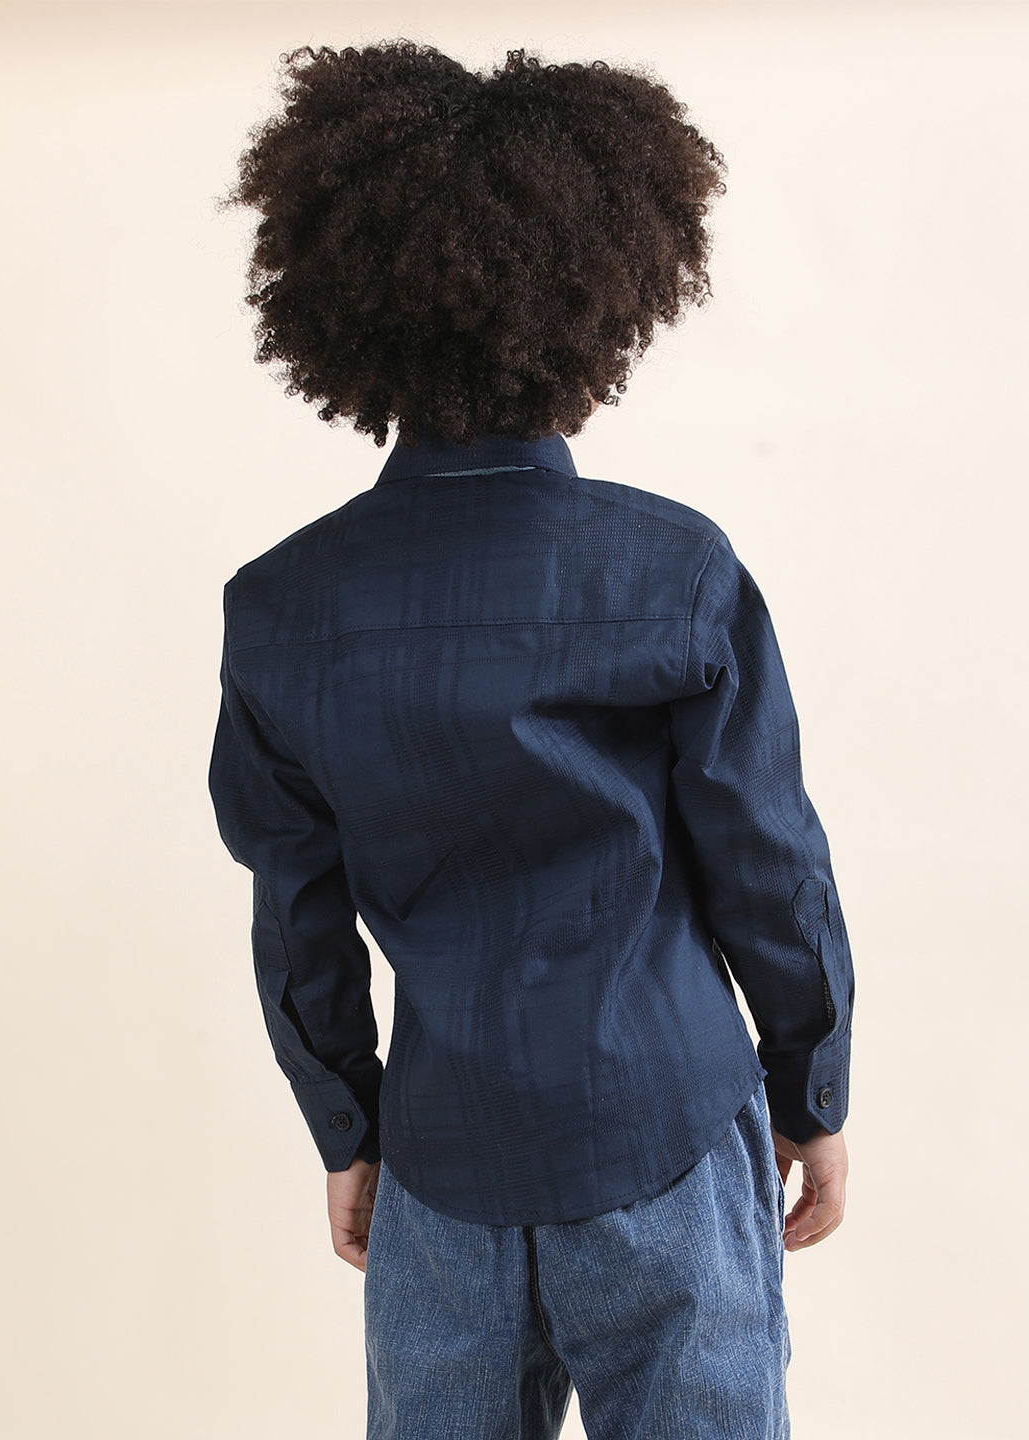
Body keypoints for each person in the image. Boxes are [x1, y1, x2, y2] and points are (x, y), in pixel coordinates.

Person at [207, 38, 854, 1440]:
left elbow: (298, 916)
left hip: (441, 1162)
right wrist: (812, 1089)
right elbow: (770, 865)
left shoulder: (279, 609)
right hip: (667, 1129)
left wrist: (349, 1127)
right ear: (597, 307)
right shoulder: (675, 570)